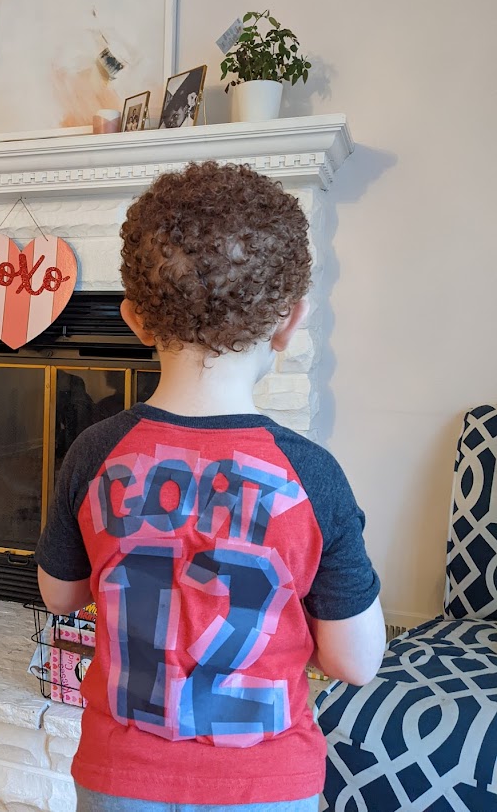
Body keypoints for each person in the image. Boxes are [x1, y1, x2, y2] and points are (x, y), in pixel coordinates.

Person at [35, 161, 385, 812]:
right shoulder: (314, 477)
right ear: (290, 321)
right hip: (265, 786)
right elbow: (355, 662)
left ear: (135, 320)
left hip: (119, 779)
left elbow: (60, 594)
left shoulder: (95, 452)